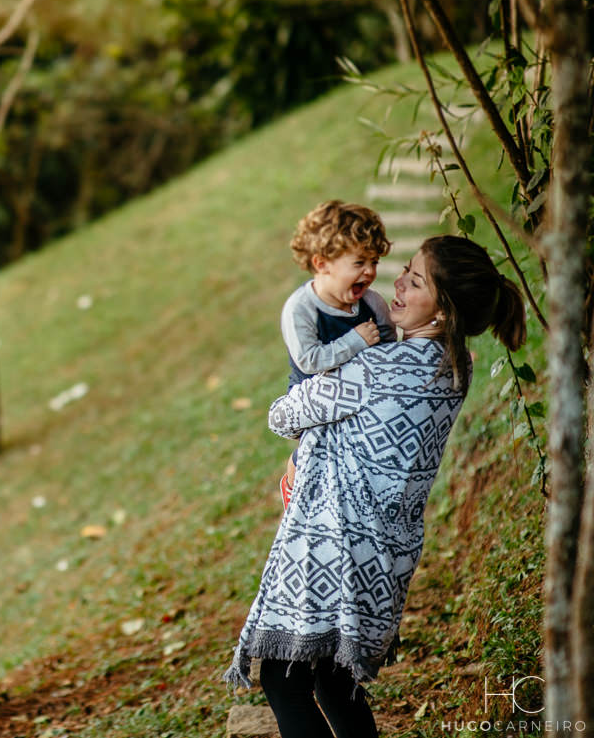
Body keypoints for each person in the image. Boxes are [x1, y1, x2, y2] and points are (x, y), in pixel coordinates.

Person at [225, 236, 526, 738]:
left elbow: (283, 415)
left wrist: (321, 359)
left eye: (417, 280)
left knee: (284, 683)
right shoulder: (458, 368)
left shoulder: (373, 368)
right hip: (386, 556)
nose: (398, 285)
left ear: (445, 309)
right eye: (404, 271)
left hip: (333, 547)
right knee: (336, 688)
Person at [278, 201, 397, 506]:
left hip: (361, 392)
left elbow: (387, 344)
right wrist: (355, 341)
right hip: (315, 399)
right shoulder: (300, 310)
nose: (369, 272)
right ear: (322, 264)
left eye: (374, 262)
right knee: (318, 451)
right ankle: (295, 481)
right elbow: (310, 360)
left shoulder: (372, 304)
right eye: (359, 263)